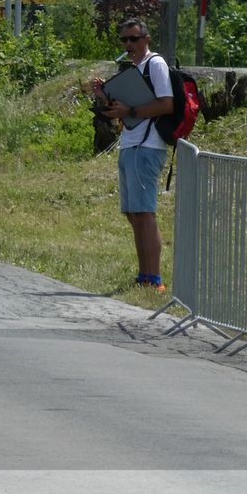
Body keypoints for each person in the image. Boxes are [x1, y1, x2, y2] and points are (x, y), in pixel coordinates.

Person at [92, 19, 173, 291]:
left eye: (134, 39)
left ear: (146, 39)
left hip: (147, 147)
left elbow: (166, 104)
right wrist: (104, 95)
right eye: (124, 40)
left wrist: (130, 112)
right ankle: (144, 276)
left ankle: (155, 279)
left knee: (145, 213)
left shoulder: (156, 64)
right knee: (134, 214)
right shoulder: (135, 69)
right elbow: (125, 107)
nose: (129, 45)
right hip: (130, 145)